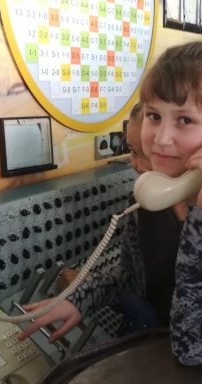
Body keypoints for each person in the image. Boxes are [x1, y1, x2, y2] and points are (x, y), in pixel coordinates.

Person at [20, 41, 202, 365]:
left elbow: (196, 344)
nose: (161, 139)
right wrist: (80, 297)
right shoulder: (150, 199)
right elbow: (130, 275)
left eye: (185, 120)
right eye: (154, 116)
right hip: (156, 369)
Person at [56, 101, 151, 292]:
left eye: (150, 153)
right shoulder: (139, 201)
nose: (139, 166)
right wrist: (87, 287)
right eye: (133, 152)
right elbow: (128, 277)